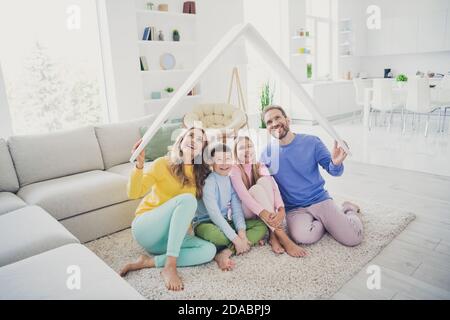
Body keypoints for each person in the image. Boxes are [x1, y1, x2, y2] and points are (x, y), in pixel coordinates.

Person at [119, 127, 216, 291]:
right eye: (191, 136)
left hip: (169, 240)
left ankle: (148, 262)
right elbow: (134, 193)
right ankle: (170, 266)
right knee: (187, 199)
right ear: (181, 140)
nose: (194, 141)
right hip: (147, 228)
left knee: (209, 250)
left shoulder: (200, 174)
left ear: (202, 150)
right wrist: (139, 166)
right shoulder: (162, 163)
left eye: (200, 140)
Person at [260, 105, 363, 247]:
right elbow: (263, 186)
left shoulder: (312, 142)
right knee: (302, 237)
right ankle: (328, 221)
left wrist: (336, 162)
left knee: (353, 238)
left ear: (287, 119)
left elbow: (335, 171)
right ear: (267, 128)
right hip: (295, 208)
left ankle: (348, 209)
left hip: (319, 200)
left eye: (277, 117)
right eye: (269, 122)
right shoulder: (266, 154)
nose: (274, 123)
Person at [193, 143, 268, 271]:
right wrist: (236, 239)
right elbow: (214, 215)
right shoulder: (208, 182)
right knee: (215, 235)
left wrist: (242, 234)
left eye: (227, 159)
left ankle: (225, 252)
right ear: (212, 163)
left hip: (224, 221)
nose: (224, 164)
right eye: (219, 160)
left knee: (261, 226)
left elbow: (236, 209)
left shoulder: (230, 180)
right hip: (205, 223)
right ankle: (239, 244)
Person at [230, 136, 306, 257]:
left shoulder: (260, 165)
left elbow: (273, 188)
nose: (247, 150)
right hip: (245, 212)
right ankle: (282, 236)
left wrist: (281, 209)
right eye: (242, 148)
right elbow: (244, 196)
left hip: (261, 211)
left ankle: (272, 236)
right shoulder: (234, 169)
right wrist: (263, 212)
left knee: (265, 182)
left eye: (249, 146)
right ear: (235, 152)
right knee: (255, 189)